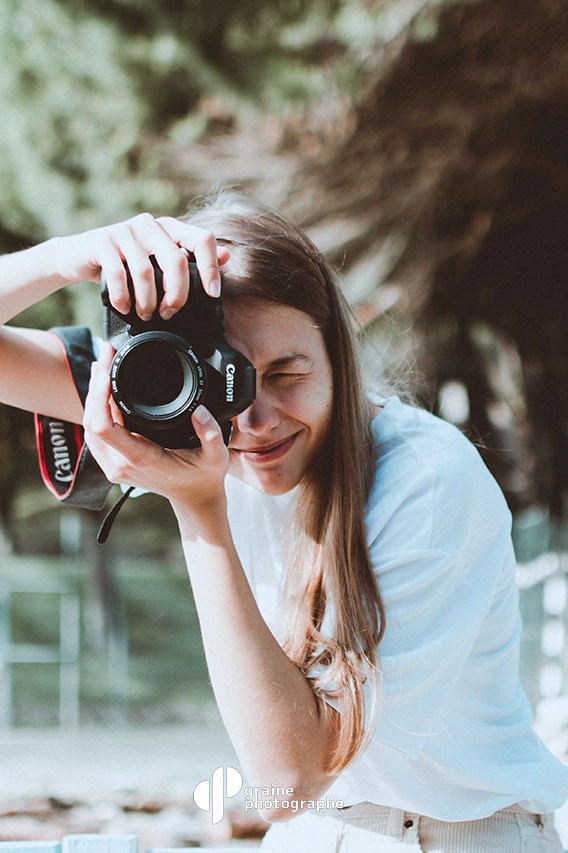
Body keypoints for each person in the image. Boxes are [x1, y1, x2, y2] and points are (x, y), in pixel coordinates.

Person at [0, 191, 566, 852]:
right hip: (314, 832)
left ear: (337, 355)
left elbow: (292, 776)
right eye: (225, 381)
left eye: (288, 373)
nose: (258, 419)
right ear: (172, 374)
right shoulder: (173, 403)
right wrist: (68, 257)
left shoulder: (428, 481)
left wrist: (199, 508)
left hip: (459, 837)